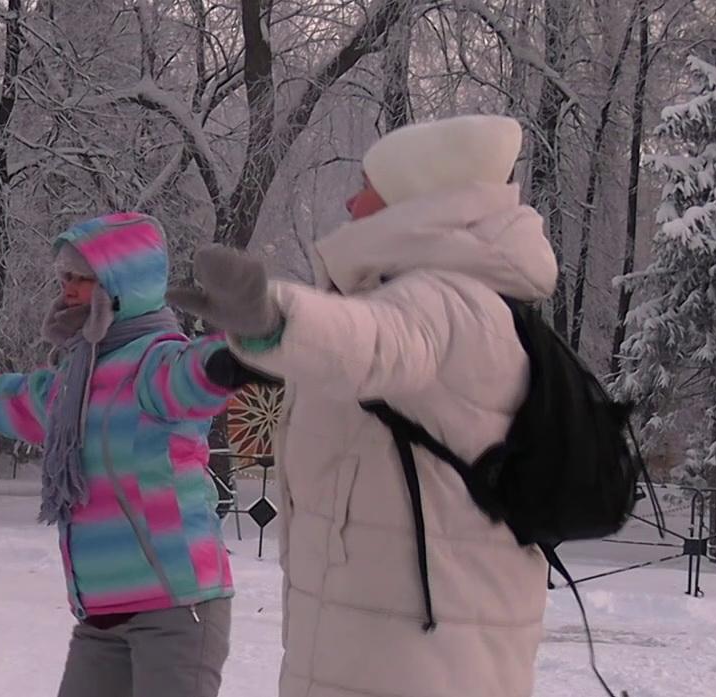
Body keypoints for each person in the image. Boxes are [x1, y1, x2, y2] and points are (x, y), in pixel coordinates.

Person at [168, 114, 558, 697]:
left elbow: (370, 341)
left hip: (419, 660)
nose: (352, 198)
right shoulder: (454, 299)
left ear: (413, 200)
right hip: (394, 644)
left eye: (368, 184)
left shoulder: (447, 302)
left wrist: (273, 319)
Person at [0, 212, 263, 697]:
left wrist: (232, 358)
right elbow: (9, 398)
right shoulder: (73, 383)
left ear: (120, 285)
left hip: (176, 606)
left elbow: (192, 376)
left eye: (79, 278)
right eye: (62, 276)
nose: (66, 289)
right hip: (101, 616)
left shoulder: (156, 363)